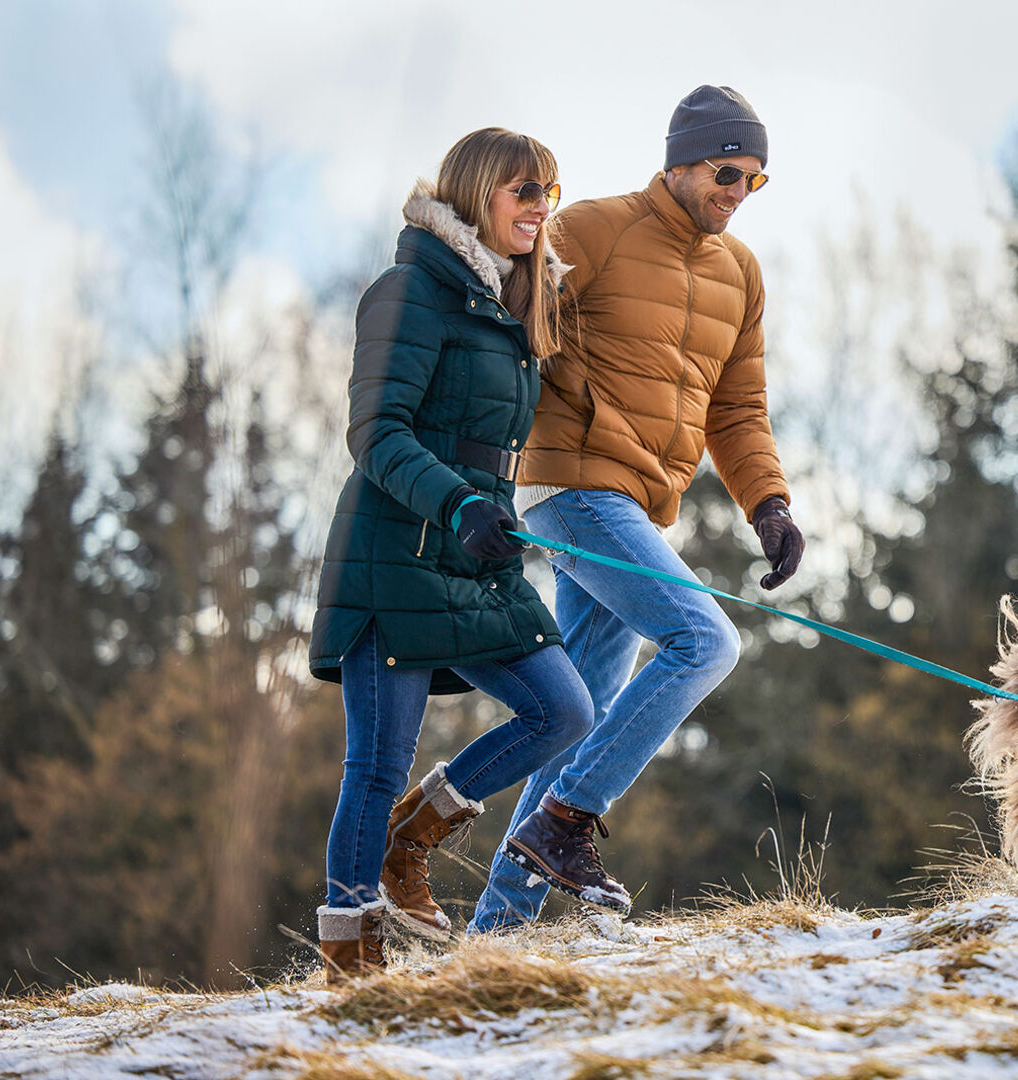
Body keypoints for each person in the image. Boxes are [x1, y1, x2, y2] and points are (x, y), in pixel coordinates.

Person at [469, 86, 804, 932]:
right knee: (703, 639)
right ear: (681, 161)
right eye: (727, 171)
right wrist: (473, 479)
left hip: (640, 506)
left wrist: (767, 503)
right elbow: (504, 333)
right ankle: (567, 821)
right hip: (570, 484)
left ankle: (494, 936)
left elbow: (736, 408)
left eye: (754, 180)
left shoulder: (740, 274)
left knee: (575, 710)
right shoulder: (593, 228)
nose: (737, 191)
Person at [307, 128, 595, 981]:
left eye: (548, 190)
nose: (541, 207)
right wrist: (459, 500)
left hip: (477, 555)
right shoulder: (409, 289)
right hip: (395, 552)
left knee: (564, 710)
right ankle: (350, 962)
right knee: (374, 764)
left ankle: (413, 834)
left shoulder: (517, 306)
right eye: (522, 190)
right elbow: (375, 433)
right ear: (476, 195)